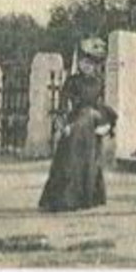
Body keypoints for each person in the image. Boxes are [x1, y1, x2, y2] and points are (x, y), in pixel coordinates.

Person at [39, 37, 117, 212]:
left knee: (90, 163)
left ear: (95, 65)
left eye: (90, 63)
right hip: (75, 124)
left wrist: (106, 123)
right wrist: (63, 123)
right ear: (79, 63)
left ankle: (87, 199)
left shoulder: (98, 82)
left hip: (91, 126)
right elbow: (63, 103)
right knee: (69, 162)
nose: (86, 66)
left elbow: (101, 104)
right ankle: (65, 200)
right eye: (83, 62)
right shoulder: (72, 81)